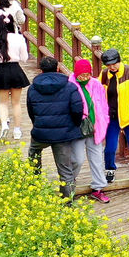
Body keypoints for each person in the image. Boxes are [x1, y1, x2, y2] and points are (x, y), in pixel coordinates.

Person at [27, 56, 85, 201]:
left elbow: (30, 110)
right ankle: (67, 201)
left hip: (40, 133)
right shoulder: (70, 87)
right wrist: (73, 126)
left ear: (41, 70)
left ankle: (34, 184)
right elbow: (77, 109)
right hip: (63, 135)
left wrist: (38, 124)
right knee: (65, 170)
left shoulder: (33, 88)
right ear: (58, 68)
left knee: (34, 152)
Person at [98, 48, 129, 199]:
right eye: (108, 65)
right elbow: (98, 92)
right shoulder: (104, 75)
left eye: (114, 64)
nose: (112, 67)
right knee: (110, 148)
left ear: (119, 61)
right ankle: (110, 168)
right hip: (112, 117)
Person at [68, 59, 111, 203]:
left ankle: (98, 188)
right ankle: (69, 182)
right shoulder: (70, 85)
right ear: (76, 73)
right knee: (77, 159)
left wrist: (104, 120)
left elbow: (103, 104)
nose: (85, 77)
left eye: (87, 75)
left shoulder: (96, 84)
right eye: (82, 75)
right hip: (78, 128)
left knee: (97, 158)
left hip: (95, 127)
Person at [0, 15, 30, 140]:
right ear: (12, 25)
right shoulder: (19, 38)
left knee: (3, 103)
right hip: (16, 70)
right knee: (16, 103)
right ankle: (17, 130)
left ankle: (4, 125)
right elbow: (24, 57)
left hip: (1, 71)